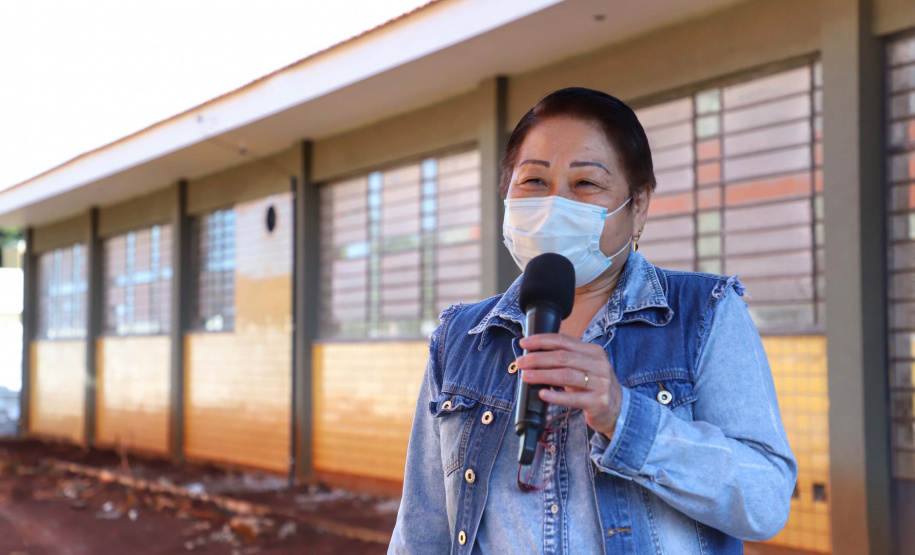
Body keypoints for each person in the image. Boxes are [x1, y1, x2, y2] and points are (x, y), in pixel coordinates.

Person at [388, 87, 796, 555]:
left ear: (638, 207)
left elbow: (766, 501)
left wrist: (626, 418)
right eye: (534, 181)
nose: (555, 203)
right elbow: (420, 534)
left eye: (585, 183)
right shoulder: (461, 339)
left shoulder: (704, 314)